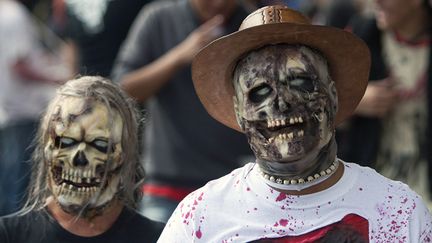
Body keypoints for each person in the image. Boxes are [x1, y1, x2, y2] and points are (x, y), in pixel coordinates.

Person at [158, 5, 432, 242]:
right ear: (240, 112)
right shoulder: (200, 219)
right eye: (259, 92)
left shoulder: (398, 210)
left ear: (333, 97)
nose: (282, 103)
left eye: (301, 83)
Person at [111, 0, 253, 223]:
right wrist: (179, 56)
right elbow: (122, 90)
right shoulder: (158, 18)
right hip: (167, 188)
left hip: (235, 187)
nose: (218, 4)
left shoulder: (251, 24)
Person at [0, 76, 164, 242]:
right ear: (47, 148)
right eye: (66, 142)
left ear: (123, 155)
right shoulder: (8, 235)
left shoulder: (162, 237)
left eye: (100, 144)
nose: (79, 159)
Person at [336, 0, 432, 207]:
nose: (375, 2)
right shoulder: (363, 35)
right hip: (373, 183)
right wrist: (355, 100)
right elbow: (320, 96)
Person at [0, 0, 70, 216]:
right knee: (20, 190)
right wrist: (58, 78)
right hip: (24, 110)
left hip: (11, 110)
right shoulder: (14, 15)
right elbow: (19, 65)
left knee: (10, 184)